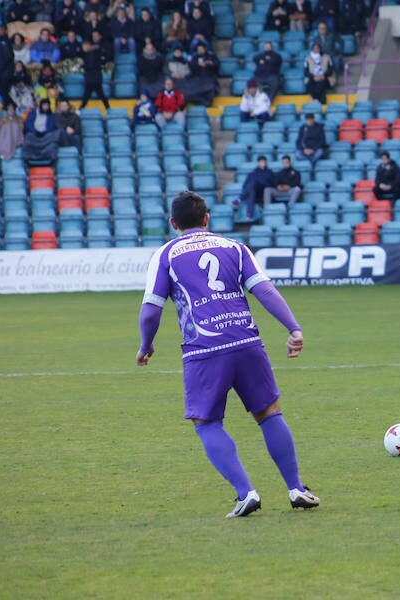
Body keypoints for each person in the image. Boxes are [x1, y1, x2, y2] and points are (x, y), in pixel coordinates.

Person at [136, 190, 320, 518]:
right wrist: (293, 328)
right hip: (247, 341)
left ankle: (245, 492)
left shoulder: (165, 254)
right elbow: (264, 289)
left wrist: (146, 344)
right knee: (269, 412)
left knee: (205, 421)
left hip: (204, 349)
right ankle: (296, 488)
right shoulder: (234, 247)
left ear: (173, 222)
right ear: (207, 219)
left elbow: (151, 310)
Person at [234, 154, 275, 219]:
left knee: (253, 183)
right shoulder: (253, 172)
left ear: (266, 162)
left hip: (264, 191)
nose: (262, 163)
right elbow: (245, 185)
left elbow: (272, 184)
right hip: (254, 192)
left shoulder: (270, 172)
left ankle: (240, 199)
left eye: (263, 162)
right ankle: (249, 214)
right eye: (261, 162)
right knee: (251, 191)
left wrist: (259, 182)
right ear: (258, 163)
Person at [22, 97, 60, 163]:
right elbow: (28, 124)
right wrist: (35, 131)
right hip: (34, 135)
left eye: (47, 105)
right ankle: (27, 160)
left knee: (53, 140)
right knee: (28, 137)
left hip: (46, 136)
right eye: (44, 105)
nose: (46, 107)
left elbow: (52, 127)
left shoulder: (52, 116)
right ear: (41, 106)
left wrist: (45, 132)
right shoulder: (33, 114)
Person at [79, 33, 110, 109]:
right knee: (88, 96)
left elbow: (91, 65)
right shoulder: (88, 54)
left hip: (94, 77)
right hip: (92, 77)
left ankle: (108, 108)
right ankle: (80, 109)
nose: (83, 48)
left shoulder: (92, 53)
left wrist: (82, 65)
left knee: (99, 95)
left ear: (88, 45)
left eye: (84, 46)